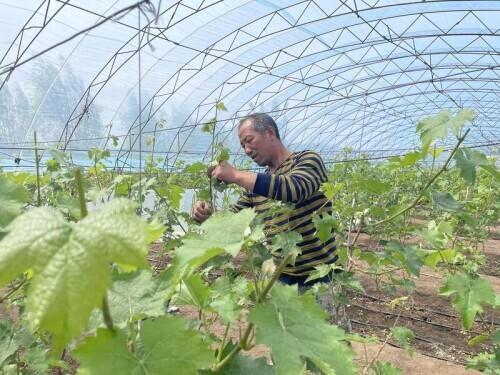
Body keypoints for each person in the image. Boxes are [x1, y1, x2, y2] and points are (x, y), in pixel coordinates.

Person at [192, 112, 338, 289]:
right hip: (278, 278)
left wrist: (236, 175)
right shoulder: (257, 186)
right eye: (243, 145)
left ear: (270, 133)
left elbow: (295, 189)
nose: (246, 150)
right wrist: (207, 215)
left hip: (318, 277)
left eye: (249, 140)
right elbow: (231, 221)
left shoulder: (307, 160)